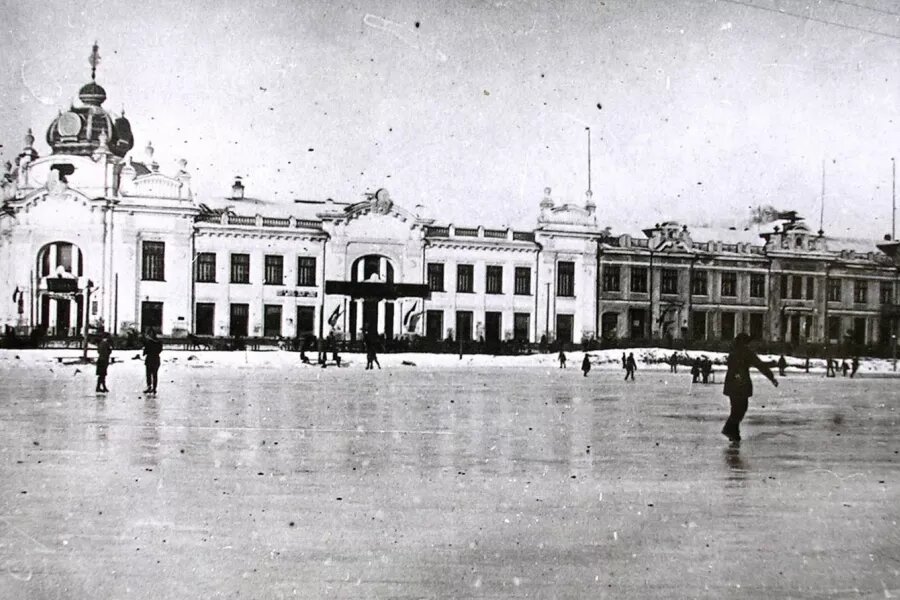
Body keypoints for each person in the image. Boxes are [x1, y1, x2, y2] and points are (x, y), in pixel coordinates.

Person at [721, 333, 778, 442]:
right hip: (741, 384)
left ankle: (734, 433)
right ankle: (729, 429)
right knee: (741, 408)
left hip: (731, 384)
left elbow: (732, 366)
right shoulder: (746, 352)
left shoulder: (733, 351)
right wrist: (771, 378)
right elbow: (760, 365)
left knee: (736, 408)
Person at [142, 329, 163, 394]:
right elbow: (160, 350)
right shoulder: (159, 342)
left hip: (149, 359)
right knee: (154, 375)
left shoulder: (149, 342)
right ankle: (154, 388)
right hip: (156, 359)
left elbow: (145, 352)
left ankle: (149, 387)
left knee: (149, 374)